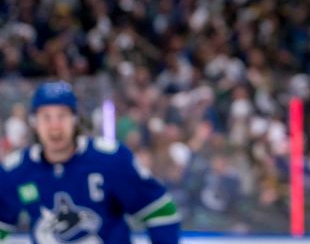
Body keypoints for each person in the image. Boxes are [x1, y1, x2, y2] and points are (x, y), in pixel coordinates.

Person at [0, 81, 181, 243]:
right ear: (34, 122)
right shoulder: (15, 170)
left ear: (75, 119)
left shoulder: (111, 160)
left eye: (62, 115)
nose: (54, 126)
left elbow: (159, 210)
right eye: (46, 117)